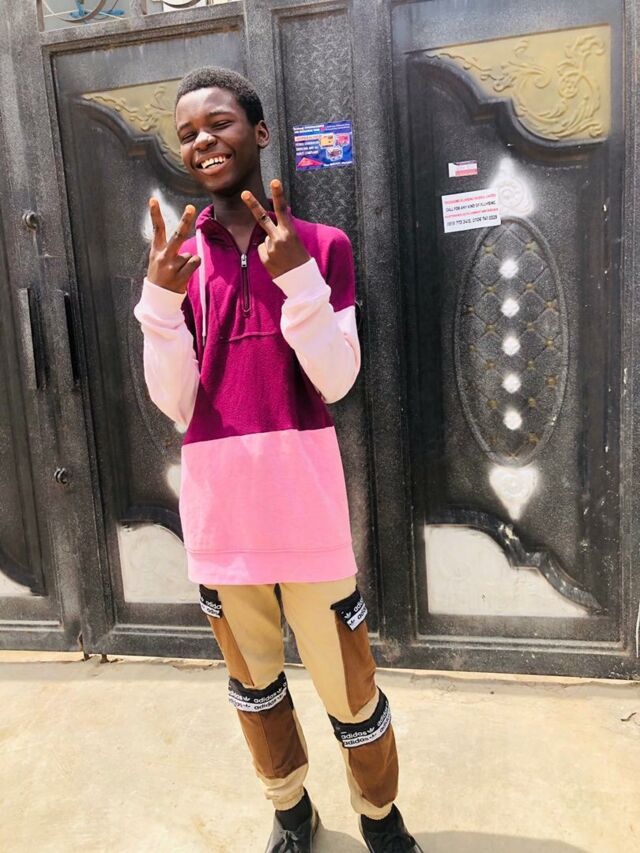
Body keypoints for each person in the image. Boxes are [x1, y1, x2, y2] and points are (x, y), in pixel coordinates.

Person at [134, 67, 422, 853]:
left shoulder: (322, 247)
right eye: (187, 133)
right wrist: (159, 305)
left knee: (352, 690)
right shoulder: (178, 263)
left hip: (308, 515)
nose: (203, 140)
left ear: (259, 134)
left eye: (219, 123)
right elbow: (177, 403)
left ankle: (379, 816)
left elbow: (338, 378)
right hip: (222, 521)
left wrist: (298, 279)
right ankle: (291, 811)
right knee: (255, 687)